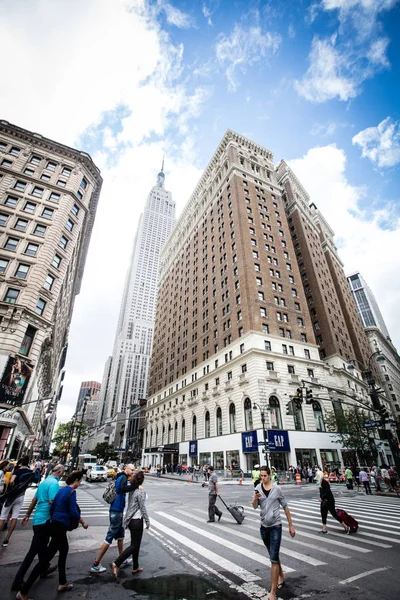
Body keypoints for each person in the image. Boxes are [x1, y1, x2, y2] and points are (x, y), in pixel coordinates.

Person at [17, 471, 88, 600]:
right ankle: (23, 591)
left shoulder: (61, 490)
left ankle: (62, 582)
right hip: (60, 527)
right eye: (79, 481)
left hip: (55, 525)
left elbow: (52, 507)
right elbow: (72, 510)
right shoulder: (72, 492)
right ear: (76, 480)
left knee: (62, 552)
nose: (79, 483)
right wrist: (82, 522)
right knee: (46, 559)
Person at [11, 464, 65, 591]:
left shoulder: (44, 482)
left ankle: (44, 569)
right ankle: (18, 581)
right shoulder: (54, 484)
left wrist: (27, 514)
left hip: (38, 519)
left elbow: (34, 500)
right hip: (45, 520)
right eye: (63, 472)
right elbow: (53, 502)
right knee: (33, 552)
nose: (63, 474)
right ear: (59, 472)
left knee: (42, 547)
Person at [252, 466, 295, 600]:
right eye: (261, 476)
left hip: (276, 526)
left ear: (270, 475)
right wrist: (255, 497)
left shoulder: (277, 489)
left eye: (265, 475)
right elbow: (254, 506)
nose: (263, 478)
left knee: (273, 559)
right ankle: (282, 576)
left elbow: (285, 506)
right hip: (263, 527)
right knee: (273, 555)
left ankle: (273, 592)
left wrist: (291, 525)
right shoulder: (258, 488)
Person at [90, 463, 137, 573]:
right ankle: (95, 563)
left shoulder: (120, 476)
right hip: (116, 511)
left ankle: (121, 559)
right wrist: (135, 486)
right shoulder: (123, 477)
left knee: (120, 535)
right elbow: (123, 489)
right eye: (132, 470)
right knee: (109, 537)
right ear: (126, 469)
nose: (133, 472)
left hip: (117, 510)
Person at [111, 471, 150, 578]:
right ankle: (117, 563)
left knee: (135, 544)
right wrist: (147, 520)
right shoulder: (139, 490)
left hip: (131, 520)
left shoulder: (132, 489)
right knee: (135, 545)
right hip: (137, 520)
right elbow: (142, 507)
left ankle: (135, 567)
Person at [0, 456, 34, 547]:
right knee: (15, 517)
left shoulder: (18, 471)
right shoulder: (30, 472)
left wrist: (13, 484)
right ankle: (7, 539)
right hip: (21, 496)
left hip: (12, 496)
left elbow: (11, 481)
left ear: (20, 463)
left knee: (3, 516)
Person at [315, 470, 350, 534]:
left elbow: (327, 492)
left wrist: (321, 498)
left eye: (317, 475)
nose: (316, 477)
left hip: (328, 501)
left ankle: (346, 526)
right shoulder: (321, 482)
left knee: (334, 514)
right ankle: (324, 529)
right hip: (324, 501)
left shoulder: (324, 482)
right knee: (323, 514)